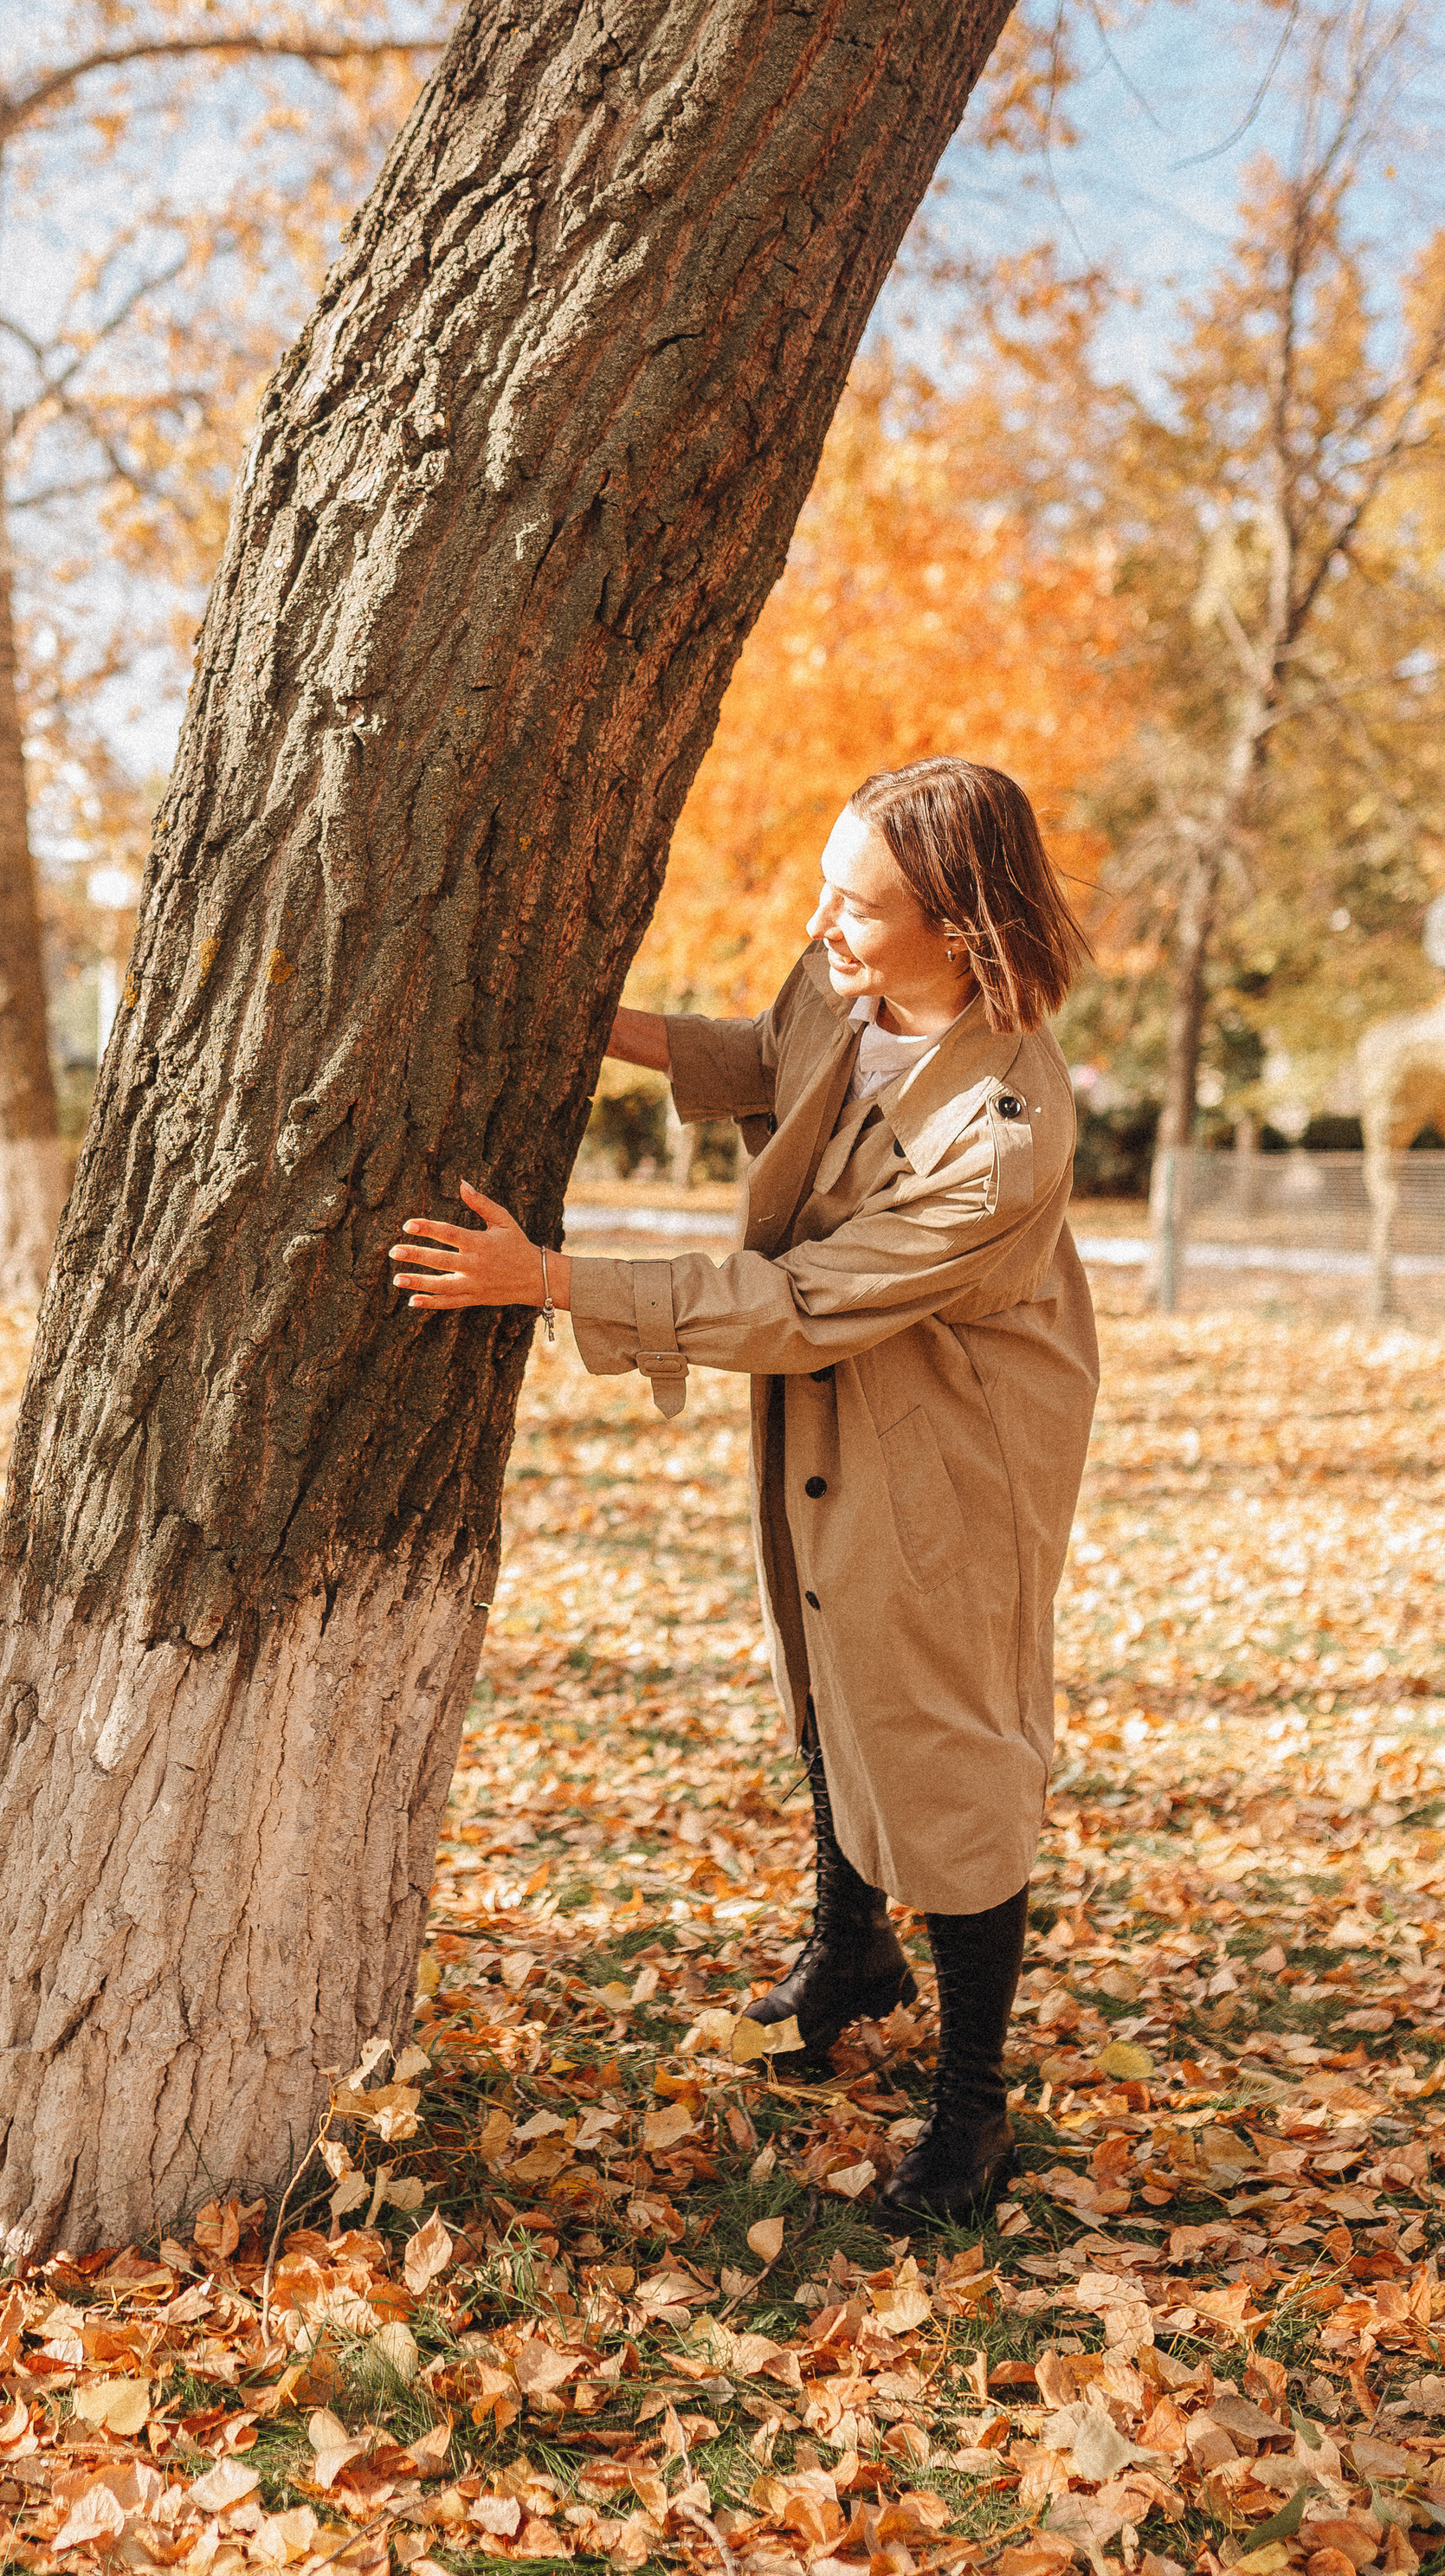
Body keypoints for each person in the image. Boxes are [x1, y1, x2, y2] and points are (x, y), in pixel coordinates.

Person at [390, 759, 1097, 2227]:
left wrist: (550, 1284)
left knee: (947, 1739)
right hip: (834, 1396)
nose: (825, 918)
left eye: (862, 900)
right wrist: (590, 1021)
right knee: (826, 1664)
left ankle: (973, 2108)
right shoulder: (848, 985)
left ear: (961, 923)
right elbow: (757, 1059)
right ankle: (853, 1949)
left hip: (953, 1445)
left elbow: (795, 1297)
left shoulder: (1000, 1145)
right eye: (829, 882)